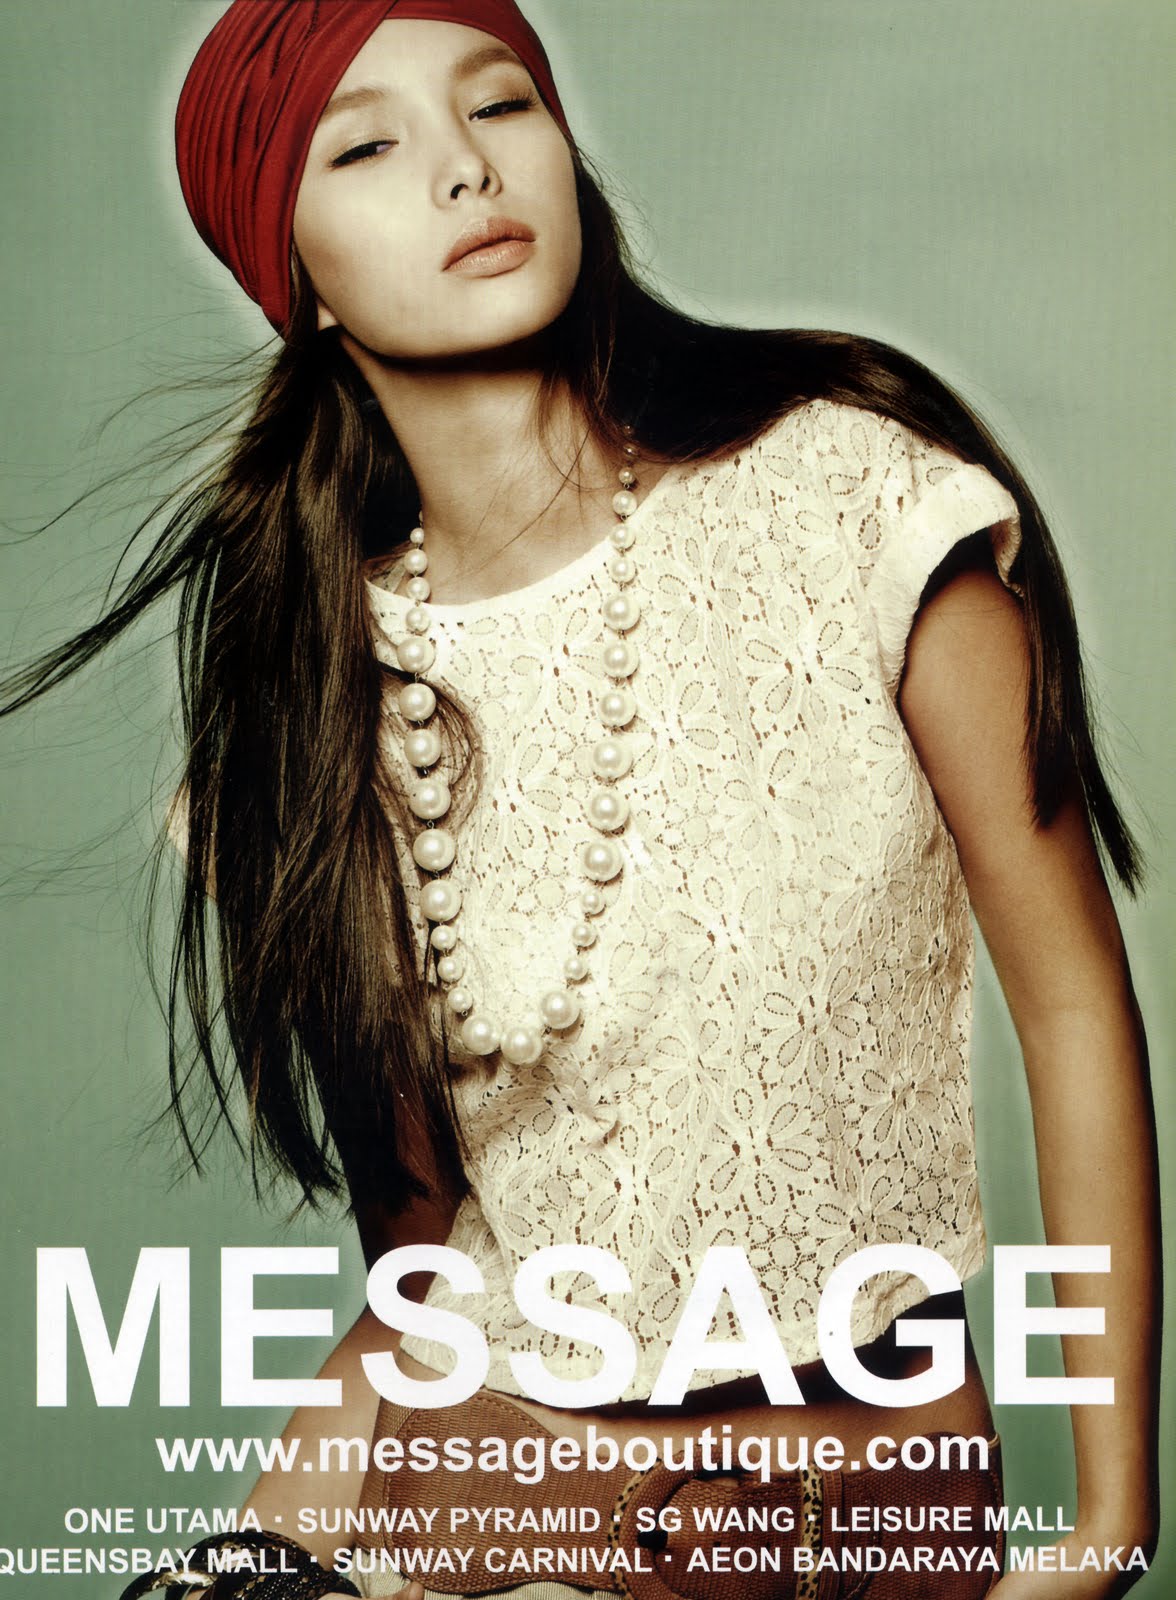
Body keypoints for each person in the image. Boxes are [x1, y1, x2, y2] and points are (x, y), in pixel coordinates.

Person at [3, 3, 1158, 1597]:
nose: (464, 169)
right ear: (298, 282)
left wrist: (1106, 1521)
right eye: (367, 146)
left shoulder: (856, 508)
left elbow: (1076, 1005)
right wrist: (268, 1555)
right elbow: (428, 1249)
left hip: (855, 1524)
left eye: (502, 105)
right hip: (476, 1514)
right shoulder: (315, 703)